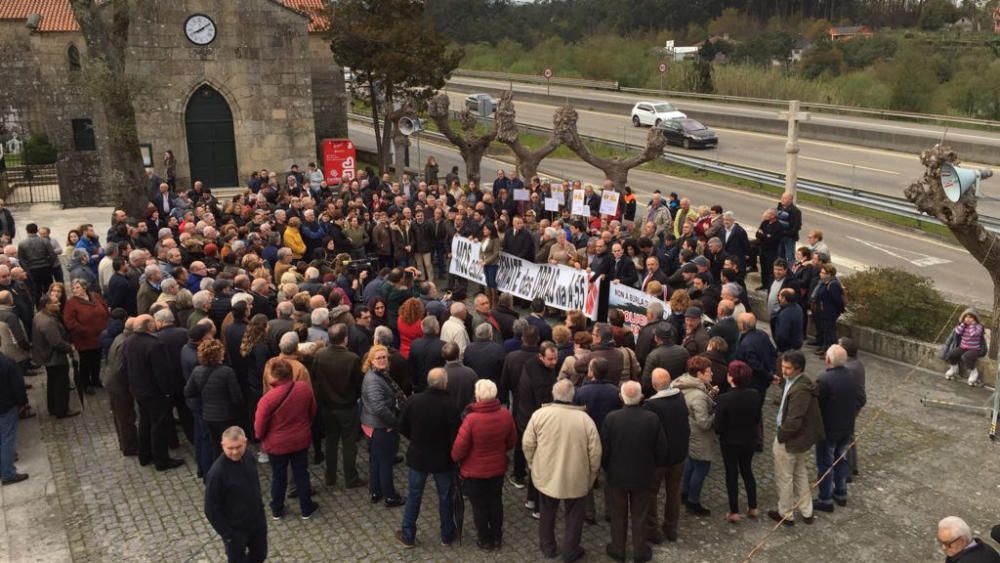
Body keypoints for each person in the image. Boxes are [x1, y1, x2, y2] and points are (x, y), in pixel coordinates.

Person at [522, 379, 601, 562]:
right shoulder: (585, 420)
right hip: (577, 477)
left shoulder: (539, 415)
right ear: (572, 397)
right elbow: (595, 452)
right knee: (574, 516)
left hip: (547, 475)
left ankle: (548, 546)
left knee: (547, 512)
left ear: (553, 394)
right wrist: (591, 475)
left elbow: (527, 444)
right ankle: (570, 550)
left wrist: (534, 465)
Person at [601, 381, 667, 563]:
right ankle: (640, 551)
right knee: (640, 514)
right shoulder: (651, 418)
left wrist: (607, 469)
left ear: (621, 397)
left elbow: (604, 451)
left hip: (617, 476)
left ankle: (618, 549)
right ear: (641, 397)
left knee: (618, 514)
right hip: (643, 475)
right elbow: (661, 450)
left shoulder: (611, 418)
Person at [395, 368, 458, 548]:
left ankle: (408, 534)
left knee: (414, 495)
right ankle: (447, 534)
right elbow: (455, 435)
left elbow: (403, 426)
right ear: (445, 383)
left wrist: (415, 439)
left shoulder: (414, 401)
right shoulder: (451, 404)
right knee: (445, 496)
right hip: (443, 458)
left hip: (418, 456)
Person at [254, 359, 318, 520]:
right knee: (301, 474)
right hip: (300, 439)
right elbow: (312, 409)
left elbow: (259, 428)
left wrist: (262, 438)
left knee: (278, 476)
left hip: (277, 445)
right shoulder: (303, 389)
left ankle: (277, 508)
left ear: (274, 377)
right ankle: (306, 507)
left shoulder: (267, 400)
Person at [768, 350, 824, 527]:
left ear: (799, 369)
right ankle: (807, 511)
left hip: (790, 440)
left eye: (788, 369)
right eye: (783, 367)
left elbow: (794, 420)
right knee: (800, 473)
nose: (784, 371)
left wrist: (781, 436)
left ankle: (786, 514)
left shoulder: (800, 390)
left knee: (785, 477)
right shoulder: (799, 381)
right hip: (799, 440)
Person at [311, 324, 366, 489]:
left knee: (331, 442)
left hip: (327, 407)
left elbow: (315, 380)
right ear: (346, 339)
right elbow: (359, 384)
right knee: (349, 443)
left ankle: (330, 476)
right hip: (347, 407)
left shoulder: (319, 356)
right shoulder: (352, 358)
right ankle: (351, 477)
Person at [125, 314, 183, 470]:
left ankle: (145, 455)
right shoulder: (155, 344)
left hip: (139, 390)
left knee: (145, 423)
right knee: (158, 426)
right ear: (150, 326)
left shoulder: (129, 341)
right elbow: (162, 372)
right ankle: (162, 460)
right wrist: (168, 392)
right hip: (155, 393)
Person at [204, 426, 268, 563]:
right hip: (235, 530)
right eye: (230, 448)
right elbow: (211, 508)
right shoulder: (217, 473)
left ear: (245, 442)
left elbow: (254, 484)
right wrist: (228, 534)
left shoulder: (249, 457)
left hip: (256, 522)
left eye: (238, 447)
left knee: (260, 555)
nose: (235, 452)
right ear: (222, 445)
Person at [813, 345, 862, 513]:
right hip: (847, 427)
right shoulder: (852, 376)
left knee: (825, 464)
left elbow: (817, 406)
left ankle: (825, 498)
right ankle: (841, 493)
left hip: (829, 430)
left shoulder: (823, 379)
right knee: (841, 460)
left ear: (828, 360)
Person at [642, 368, 689, 543]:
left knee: (651, 493)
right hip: (678, 454)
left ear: (654, 385)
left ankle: (652, 530)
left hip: (659, 459)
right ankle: (671, 528)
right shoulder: (680, 398)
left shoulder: (651, 405)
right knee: (673, 492)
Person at [713, 360, 761, 523]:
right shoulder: (755, 395)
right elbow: (756, 419)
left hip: (730, 442)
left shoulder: (724, 399)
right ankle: (753, 506)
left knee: (731, 474)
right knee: (747, 471)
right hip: (749, 440)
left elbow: (718, 426)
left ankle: (734, 511)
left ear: (731, 378)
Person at [360, 344, 405, 507]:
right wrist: (395, 421)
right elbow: (379, 408)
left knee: (376, 460)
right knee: (385, 462)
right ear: (371, 361)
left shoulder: (378, 375)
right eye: (378, 358)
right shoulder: (373, 380)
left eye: (384, 357)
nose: (382, 360)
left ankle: (375, 490)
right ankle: (390, 496)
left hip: (375, 425)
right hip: (381, 427)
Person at [185, 338, 243, 463]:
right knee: (231, 444)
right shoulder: (227, 372)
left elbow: (188, 392)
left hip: (208, 415)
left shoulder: (197, 371)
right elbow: (236, 397)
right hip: (226, 416)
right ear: (218, 354)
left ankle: (218, 468)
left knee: (215, 445)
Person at [673, 356, 717, 517]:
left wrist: (710, 394)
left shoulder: (683, 382)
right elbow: (704, 423)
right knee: (701, 467)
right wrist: (716, 414)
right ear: (699, 374)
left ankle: (684, 493)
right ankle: (693, 501)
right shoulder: (698, 396)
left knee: (691, 462)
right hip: (699, 436)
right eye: (708, 371)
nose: (711, 374)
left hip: (687, 431)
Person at [32, 294, 78, 419]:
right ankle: (62, 410)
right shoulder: (48, 322)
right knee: (60, 385)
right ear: (47, 305)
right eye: (55, 303)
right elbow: (57, 342)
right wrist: (70, 347)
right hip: (54, 358)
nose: (59, 304)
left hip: (46, 356)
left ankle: (52, 407)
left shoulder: (40, 316)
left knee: (52, 383)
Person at [62, 279, 109, 394]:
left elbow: (105, 308)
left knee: (97, 360)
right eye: (73, 288)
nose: (74, 290)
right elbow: (69, 321)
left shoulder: (95, 296)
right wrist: (84, 330)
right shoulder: (71, 303)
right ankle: (86, 384)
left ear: (84, 287)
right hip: (84, 339)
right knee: (86, 362)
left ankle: (95, 379)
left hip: (99, 336)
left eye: (77, 287)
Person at [840, 337, 866, 477]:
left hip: (851, 405)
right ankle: (852, 466)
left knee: (846, 437)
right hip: (855, 402)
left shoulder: (849, 368)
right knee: (849, 435)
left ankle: (848, 469)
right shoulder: (857, 363)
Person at [0, 352, 28, 485]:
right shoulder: (8, 363)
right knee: (7, 440)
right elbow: (18, 386)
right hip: (6, 406)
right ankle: (8, 474)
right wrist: (23, 403)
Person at [942, 309, 987, 386]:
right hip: (963, 347)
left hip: (974, 349)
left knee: (966, 357)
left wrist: (972, 325)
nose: (968, 319)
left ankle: (973, 372)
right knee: (951, 354)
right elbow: (958, 332)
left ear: (975, 319)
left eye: (970, 317)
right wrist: (962, 324)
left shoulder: (979, 327)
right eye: (966, 317)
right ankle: (954, 368)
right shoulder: (963, 326)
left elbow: (973, 334)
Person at [811, 264, 844, 356]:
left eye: (823, 273)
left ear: (829, 274)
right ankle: (825, 348)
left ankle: (831, 352)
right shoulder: (824, 283)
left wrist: (836, 311)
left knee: (830, 333)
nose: (820, 274)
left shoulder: (833, 285)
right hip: (823, 312)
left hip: (830, 313)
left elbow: (837, 301)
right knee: (825, 331)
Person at [442, 341, 477, 414]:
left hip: (447, 416)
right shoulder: (470, 373)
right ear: (458, 354)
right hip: (467, 414)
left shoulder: (439, 376)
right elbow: (476, 395)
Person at [480, 223, 501, 307]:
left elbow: (496, 253)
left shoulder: (495, 239)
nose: (484, 231)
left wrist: (486, 261)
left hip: (492, 264)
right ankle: (489, 300)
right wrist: (481, 258)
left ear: (490, 230)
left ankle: (494, 302)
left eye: (485, 229)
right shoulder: (484, 239)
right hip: (485, 263)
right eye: (484, 229)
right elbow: (481, 250)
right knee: (488, 281)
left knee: (492, 282)